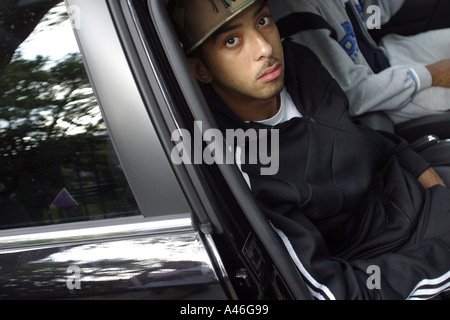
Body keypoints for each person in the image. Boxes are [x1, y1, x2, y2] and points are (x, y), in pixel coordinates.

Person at [168, 0, 450, 299]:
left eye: (262, 21)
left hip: (413, 190)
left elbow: (359, 134)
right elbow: (336, 291)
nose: (265, 48)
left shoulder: (298, 62)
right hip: (395, 252)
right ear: (200, 69)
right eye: (232, 41)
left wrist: (421, 170)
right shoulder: (243, 163)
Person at [267, 0, 450, 124]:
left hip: (385, 58)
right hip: (381, 97)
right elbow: (350, 96)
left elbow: (373, 19)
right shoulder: (296, 12)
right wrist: (430, 74)